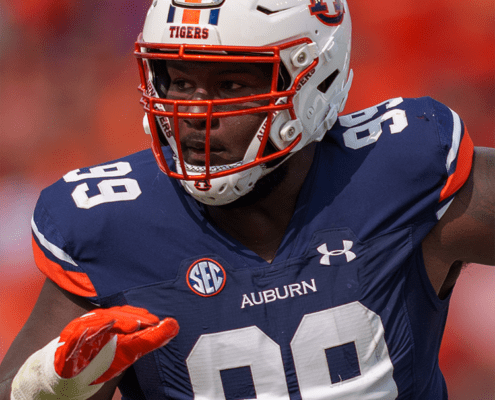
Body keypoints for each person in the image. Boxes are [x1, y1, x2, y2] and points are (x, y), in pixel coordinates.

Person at [0, 0, 493, 398]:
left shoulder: (398, 173)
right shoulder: (109, 225)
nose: (193, 111)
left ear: (314, 82)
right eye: (178, 80)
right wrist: (44, 387)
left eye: (231, 83)